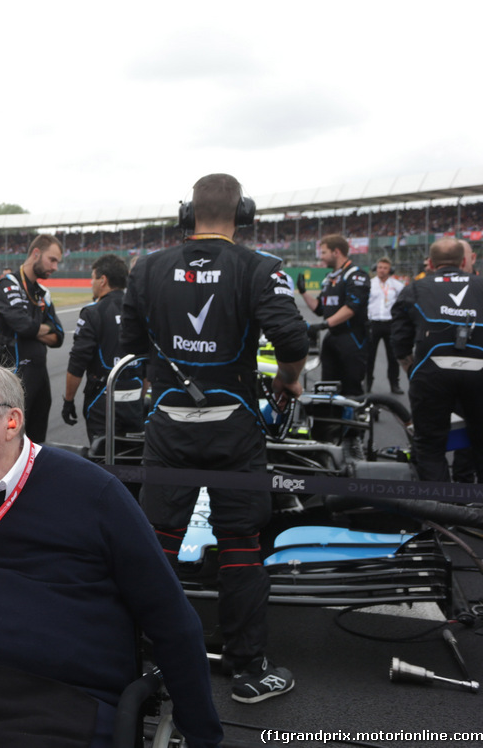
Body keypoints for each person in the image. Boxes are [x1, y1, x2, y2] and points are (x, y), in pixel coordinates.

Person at [0, 361, 222, 748]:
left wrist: (202, 736)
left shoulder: (93, 493)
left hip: (60, 700)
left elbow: (171, 621)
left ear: (11, 422)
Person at [122, 173, 308, 704]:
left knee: (157, 540)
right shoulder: (260, 267)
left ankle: (139, 659)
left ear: (187, 214)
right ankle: (249, 668)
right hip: (235, 427)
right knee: (240, 543)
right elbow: (292, 339)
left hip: (168, 424)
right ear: (243, 214)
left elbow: (133, 343)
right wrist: (289, 378)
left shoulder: (149, 268)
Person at [393, 238, 483, 490]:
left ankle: (441, 514)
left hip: (431, 374)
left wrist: (411, 369)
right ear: (464, 261)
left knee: (429, 443)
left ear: (429, 263)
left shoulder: (415, 288)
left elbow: (399, 340)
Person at [63, 254, 143, 444]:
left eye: (93, 278)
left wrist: (68, 400)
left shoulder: (92, 312)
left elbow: (77, 362)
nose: (91, 283)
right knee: (134, 459)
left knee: (103, 460)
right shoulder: (139, 309)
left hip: (103, 399)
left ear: (103, 280)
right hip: (135, 398)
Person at [0, 235, 65, 442]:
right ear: (36, 254)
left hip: (40, 375)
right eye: (52, 260)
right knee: (12, 442)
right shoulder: (9, 284)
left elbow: (58, 336)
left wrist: (36, 330)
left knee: (37, 442)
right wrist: (43, 330)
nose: (55, 267)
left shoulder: (43, 293)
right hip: (14, 376)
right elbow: (23, 326)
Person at [300, 235, 369, 396]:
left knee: (351, 388)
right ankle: (330, 420)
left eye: (324, 252)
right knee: (327, 386)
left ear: (336, 252)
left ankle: (351, 419)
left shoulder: (356, 274)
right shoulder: (329, 278)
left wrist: (323, 325)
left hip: (352, 339)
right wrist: (303, 292)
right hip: (332, 339)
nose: (321, 256)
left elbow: (352, 308)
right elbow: (319, 309)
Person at [365, 257, 405, 394]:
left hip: (390, 324)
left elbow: (403, 304)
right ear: (375, 268)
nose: (381, 270)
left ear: (390, 270)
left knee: (393, 357)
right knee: (369, 356)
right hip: (373, 323)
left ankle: (395, 384)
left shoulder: (397, 285)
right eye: (380, 267)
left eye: (385, 268)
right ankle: (367, 384)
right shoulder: (369, 284)